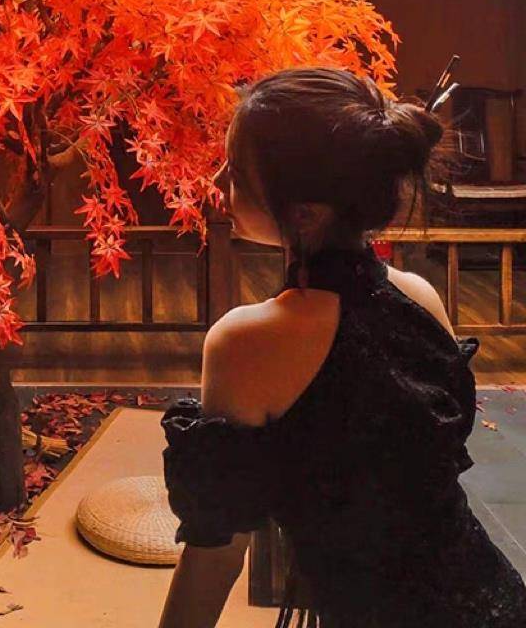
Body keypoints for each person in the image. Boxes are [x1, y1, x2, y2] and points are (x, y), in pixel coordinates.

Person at [158, 67, 526, 628]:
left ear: (303, 213)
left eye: (234, 174)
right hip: (492, 597)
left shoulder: (246, 341)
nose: (221, 186)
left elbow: (217, 549)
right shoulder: (420, 296)